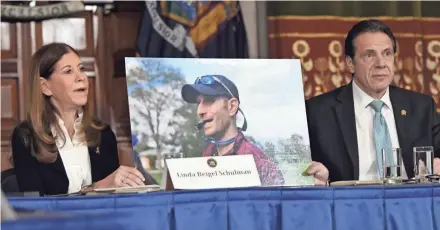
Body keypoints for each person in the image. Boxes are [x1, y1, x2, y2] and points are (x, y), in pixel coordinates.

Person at [306, 19, 440, 182]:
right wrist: (322, 180)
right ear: (350, 64)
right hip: (350, 203)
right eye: (369, 55)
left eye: (387, 53)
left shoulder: (421, 106)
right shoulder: (318, 112)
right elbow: (305, 168)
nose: (381, 64)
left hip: (410, 203)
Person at [11, 42, 145, 196]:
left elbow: (111, 199)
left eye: (81, 69)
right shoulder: (26, 137)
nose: (81, 77)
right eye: (68, 71)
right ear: (45, 86)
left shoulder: (103, 134)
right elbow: (35, 207)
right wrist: (93, 189)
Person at [181, 75, 328, 186]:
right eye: (199, 103)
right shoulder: (208, 153)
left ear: (232, 107)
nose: (199, 111)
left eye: (208, 101)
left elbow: (281, 209)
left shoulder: (258, 160)